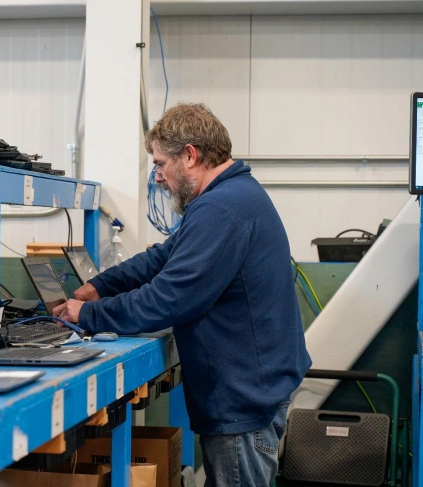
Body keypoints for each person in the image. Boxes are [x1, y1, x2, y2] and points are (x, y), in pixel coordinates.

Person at [53, 103, 311, 486]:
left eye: (160, 164)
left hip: (243, 397)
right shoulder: (229, 197)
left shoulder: (222, 207)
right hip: (252, 388)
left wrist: (86, 314)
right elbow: (165, 256)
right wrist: (100, 286)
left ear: (189, 155)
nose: (158, 177)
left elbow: (167, 299)